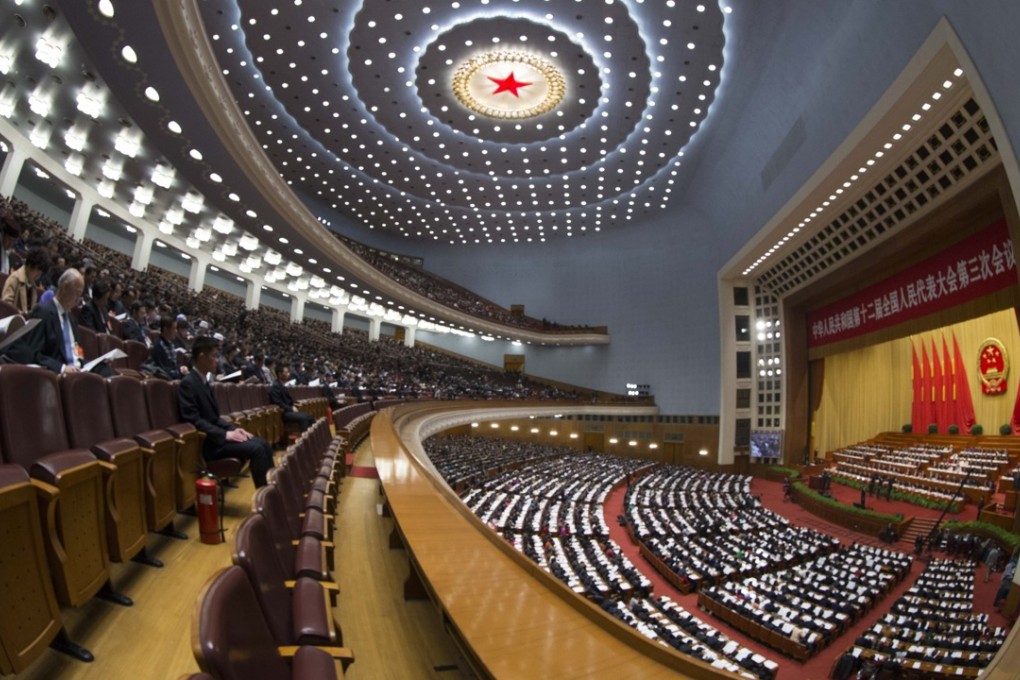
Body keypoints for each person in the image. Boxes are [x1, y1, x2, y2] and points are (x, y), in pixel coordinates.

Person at [177, 336, 274, 488]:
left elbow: (214, 418)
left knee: (263, 444)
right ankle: (265, 499)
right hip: (209, 443)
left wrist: (234, 429)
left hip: (217, 438)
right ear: (202, 357)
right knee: (257, 449)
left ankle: (272, 491)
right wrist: (225, 434)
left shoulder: (203, 382)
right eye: (214, 356)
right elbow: (193, 420)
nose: (217, 360)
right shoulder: (188, 383)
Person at [4, 268, 112, 376]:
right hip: (59, 372)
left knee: (108, 371)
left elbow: (77, 353)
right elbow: (33, 352)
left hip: (77, 369)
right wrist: (62, 367)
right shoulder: (43, 311)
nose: (79, 298)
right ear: (65, 287)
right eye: (77, 293)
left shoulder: (73, 320)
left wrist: (96, 363)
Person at [1, 246, 49, 314]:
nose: (38, 276)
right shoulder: (15, 279)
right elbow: (5, 306)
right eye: (37, 271)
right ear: (30, 265)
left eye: (40, 274)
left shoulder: (33, 286)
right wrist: (21, 314)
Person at [270, 364, 314, 435]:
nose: (288, 374)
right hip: (283, 413)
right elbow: (278, 402)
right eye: (286, 372)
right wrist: (290, 408)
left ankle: (311, 438)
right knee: (305, 418)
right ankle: (304, 439)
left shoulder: (281, 384)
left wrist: (292, 406)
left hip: (288, 411)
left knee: (310, 416)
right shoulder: (275, 386)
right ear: (280, 374)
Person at [148, 315, 184, 379]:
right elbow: (163, 370)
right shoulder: (158, 346)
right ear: (165, 329)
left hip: (175, 375)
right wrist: (179, 373)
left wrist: (181, 368)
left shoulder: (171, 343)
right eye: (174, 328)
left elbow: (175, 362)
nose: (176, 331)